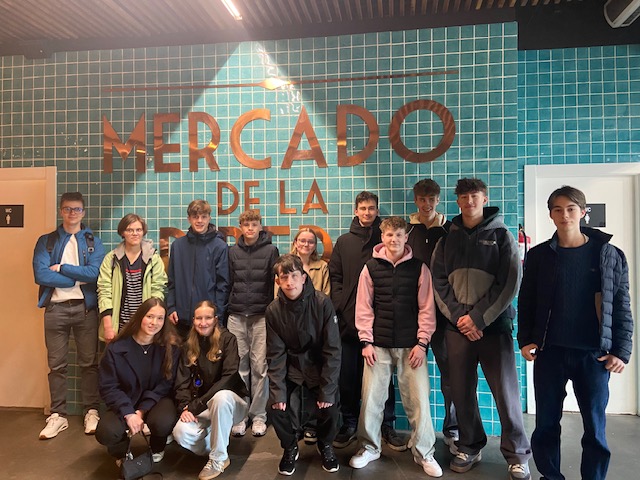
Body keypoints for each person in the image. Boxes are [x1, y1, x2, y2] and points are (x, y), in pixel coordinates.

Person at [517, 186, 634, 480]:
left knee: (595, 427)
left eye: (571, 209)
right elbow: (526, 300)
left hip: (593, 355)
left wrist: (621, 351)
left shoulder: (608, 254)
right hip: (550, 352)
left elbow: (621, 303)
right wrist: (525, 339)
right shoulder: (540, 255)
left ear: (582, 212)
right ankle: (550, 476)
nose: (564, 215)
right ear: (551, 215)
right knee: (546, 425)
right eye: (558, 209)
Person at [431, 178, 532, 479]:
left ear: (484, 199)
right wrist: (461, 318)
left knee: (506, 393)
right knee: (461, 392)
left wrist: (478, 318)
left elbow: (509, 282)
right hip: (457, 329)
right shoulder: (446, 239)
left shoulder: (502, 236)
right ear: (458, 201)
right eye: (463, 197)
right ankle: (470, 445)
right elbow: (439, 282)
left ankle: (517, 454)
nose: (469, 201)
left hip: (494, 327)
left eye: (474, 196)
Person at [349, 216, 442, 477]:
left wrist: (422, 342)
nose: (394, 239)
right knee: (371, 401)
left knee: (419, 402)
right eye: (389, 235)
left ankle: (424, 453)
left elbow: (427, 308)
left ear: (406, 237)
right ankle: (369, 447)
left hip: (412, 347)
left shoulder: (419, 268)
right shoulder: (370, 268)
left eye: (399, 235)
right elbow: (363, 307)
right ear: (382, 237)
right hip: (377, 346)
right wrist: (366, 341)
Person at [328, 191, 402, 450]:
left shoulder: (385, 239)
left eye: (371, 208)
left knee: (383, 377)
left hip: (380, 321)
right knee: (348, 377)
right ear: (356, 211)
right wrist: (340, 306)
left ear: (377, 210)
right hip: (348, 322)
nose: (367, 212)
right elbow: (335, 276)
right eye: (363, 208)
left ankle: (387, 425)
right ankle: (349, 423)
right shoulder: (344, 242)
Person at [32, 191, 106, 439]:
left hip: (85, 309)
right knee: (57, 366)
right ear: (61, 211)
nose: (72, 213)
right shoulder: (47, 241)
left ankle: (91, 411)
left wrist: (63, 268)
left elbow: (94, 273)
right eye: (67, 209)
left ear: (83, 212)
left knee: (89, 363)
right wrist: (76, 277)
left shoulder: (94, 242)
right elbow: (41, 275)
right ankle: (58, 415)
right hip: (55, 309)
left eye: (76, 209)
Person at [266, 254, 341, 475]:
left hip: (319, 365)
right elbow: (275, 355)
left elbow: (333, 351)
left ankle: (325, 444)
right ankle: (290, 447)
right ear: (278, 281)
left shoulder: (322, 303)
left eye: (294, 276)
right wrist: (278, 394)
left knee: (330, 405)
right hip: (292, 367)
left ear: (303, 277)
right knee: (275, 405)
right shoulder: (273, 310)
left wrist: (327, 391)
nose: (290, 282)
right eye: (284, 277)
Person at [95, 297, 180, 468]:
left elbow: (166, 384)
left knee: (163, 421)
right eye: (150, 316)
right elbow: (109, 386)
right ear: (140, 317)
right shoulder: (116, 347)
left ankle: (157, 447)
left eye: (160, 318)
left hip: (156, 400)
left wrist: (142, 410)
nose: (154, 323)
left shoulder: (170, 348)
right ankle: (121, 452)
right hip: (126, 400)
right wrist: (128, 413)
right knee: (106, 431)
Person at [406, 179, 458, 450]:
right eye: (422, 199)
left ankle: (453, 429)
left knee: (450, 374)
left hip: (445, 315)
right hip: (412, 316)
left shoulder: (451, 230)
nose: (426, 204)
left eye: (431, 199)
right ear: (416, 201)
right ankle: (417, 433)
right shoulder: (406, 231)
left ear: (438, 200)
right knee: (411, 377)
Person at [173, 300, 249, 480]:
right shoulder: (188, 344)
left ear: (215, 319)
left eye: (208, 318)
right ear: (193, 320)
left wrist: (197, 405)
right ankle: (216, 444)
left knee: (220, 398)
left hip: (232, 403)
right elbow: (182, 381)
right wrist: (185, 406)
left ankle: (218, 459)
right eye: (199, 318)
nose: (203, 322)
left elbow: (229, 377)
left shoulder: (228, 339)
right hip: (202, 407)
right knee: (180, 433)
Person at [226, 210, 279, 437]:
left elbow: (274, 283)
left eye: (254, 224)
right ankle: (240, 416)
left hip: (261, 316)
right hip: (236, 315)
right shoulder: (232, 252)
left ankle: (258, 416)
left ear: (260, 226)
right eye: (246, 224)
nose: (250, 228)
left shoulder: (271, 251)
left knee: (260, 368)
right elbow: (228, 282)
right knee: (239, 368)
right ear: (240, 227)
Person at [286, 226, 330, 445]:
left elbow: (325, 296)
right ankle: (294, 427)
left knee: (314, 381)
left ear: (315, 245)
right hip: (290, 330)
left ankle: (312, 425)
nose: (306, 244)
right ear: (295, 242)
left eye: (310, 241)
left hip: (314, 330)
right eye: (302, 240)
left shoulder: (322, 267)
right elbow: (278, 297)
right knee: (291, 383)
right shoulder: (285, 265)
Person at [97, 213, 168, 343]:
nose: (135, 234)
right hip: (119, 325)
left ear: (143, 232)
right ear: (122, 233)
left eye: (138, 230)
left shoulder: (154, 259)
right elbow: (104, 292)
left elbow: (157, 291)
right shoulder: (111, 259)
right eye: (130, 230)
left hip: (145, 325)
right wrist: (108, 327)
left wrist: (152, 321)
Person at [167, 199, 230, 338]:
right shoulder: (177, 246)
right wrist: (171, 307)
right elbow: (171, 281)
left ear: (209, 218)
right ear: (189, 219)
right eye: (195, 217)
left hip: (207, 321)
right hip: (181, 319)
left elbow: (223, 285)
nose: (199, 220)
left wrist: (217, 315)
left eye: (203, 217)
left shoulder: (220, 247)